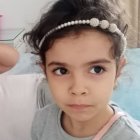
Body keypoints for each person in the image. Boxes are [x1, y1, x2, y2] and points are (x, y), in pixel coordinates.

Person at [23, 0, 140, 139]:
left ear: (118, 70)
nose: (78, 89)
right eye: (61, 70)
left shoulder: (130, 136)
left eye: (97, 69)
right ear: (45, 73)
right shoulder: (42, 121)